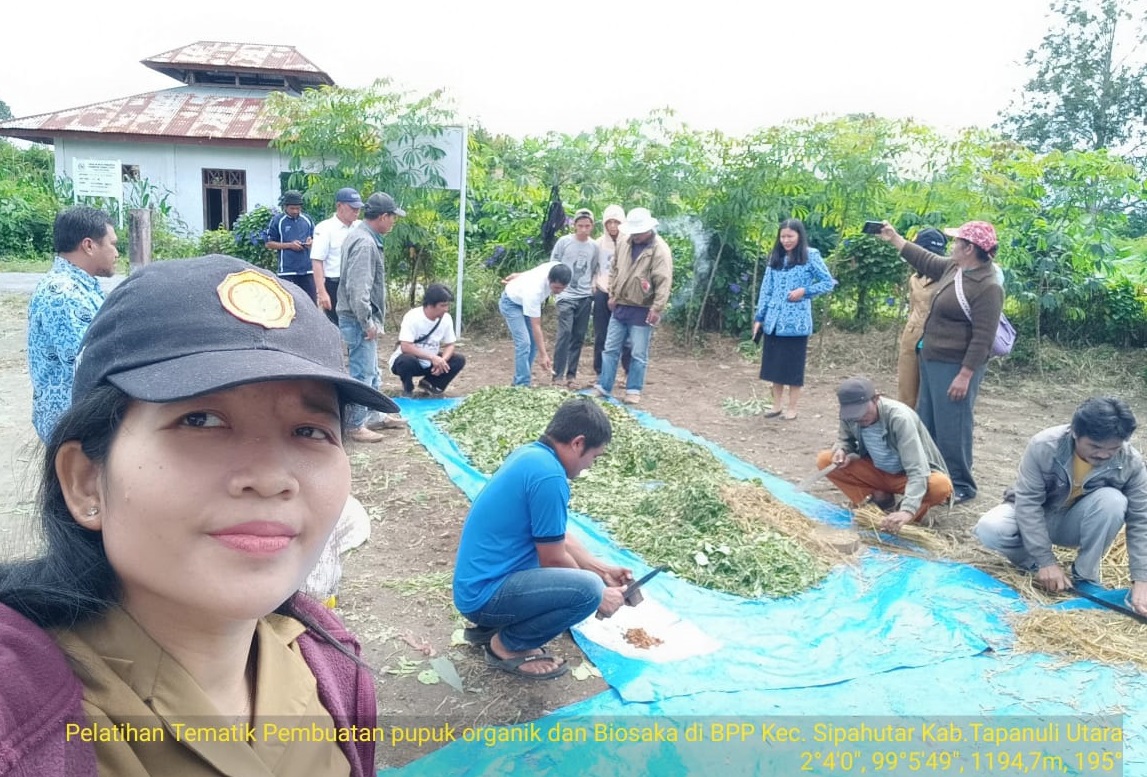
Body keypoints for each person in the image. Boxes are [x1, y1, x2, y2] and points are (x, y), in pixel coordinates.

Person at [0, 254, 394, 775]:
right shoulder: (21, 716)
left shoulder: (331, 668)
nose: (272, 476)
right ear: (85, 479)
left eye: (309, 431)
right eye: (201, 419)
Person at [453, 398, 631, 679]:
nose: (589, 467)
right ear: (577, 443)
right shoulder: (550, 478)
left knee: (590, 580)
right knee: (587, 591)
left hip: (477, 586)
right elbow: (553, 558)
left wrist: (602, 569)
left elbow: (558, 538)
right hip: (484, 596)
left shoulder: (532, 456)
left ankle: (497, 626)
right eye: (593, 457)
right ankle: (508, 646)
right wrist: (599, 592)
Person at [974, 397, 1147, 609]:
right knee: (990, 527)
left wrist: (1141, 579)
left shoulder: (1131, 462)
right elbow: (1028, 504)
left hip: (1076, 522)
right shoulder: (1044, 446)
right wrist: (1044, 560)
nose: (1103, 454)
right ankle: (1037, 568)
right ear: (1075, 432)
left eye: (1113, 449)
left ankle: (1084, 577)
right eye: (1095, 446)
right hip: (1040, 515)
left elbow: (1141, 520)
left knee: (1113, 501)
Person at [877, 220, 1004, 504]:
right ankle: (934, 476)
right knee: (928, 421)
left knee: (953, 425)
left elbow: (983, 337)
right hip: (933, 358)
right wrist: (895, 238)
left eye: (957, 241)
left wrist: (965, 374)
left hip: (956, 365)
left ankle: (960, 484)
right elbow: (924, 258)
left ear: (969, 248)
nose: (952, 245)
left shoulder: (988, 286)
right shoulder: (954, 269)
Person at [27, 206, 118, 443]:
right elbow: (89, 361)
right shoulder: (63, 293)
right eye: (112, 244)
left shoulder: (82, 286)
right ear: (88, 246)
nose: (116, 253)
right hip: (73, 424)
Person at [816, 377, 953, 533]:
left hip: (905, 476)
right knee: (826, 460)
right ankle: (880, 499)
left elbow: (917, 469)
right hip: (878, 471)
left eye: (862, 412)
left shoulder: (899, 418)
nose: (859, 418)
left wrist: (907, 510)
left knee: (940, 485)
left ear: (875, 399)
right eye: (854, 414)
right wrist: (842, 450)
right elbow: (845, 440)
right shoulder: (849, 416)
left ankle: (904, 517)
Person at [337, 191, 407, 440]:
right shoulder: (365, 243)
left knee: (372, 370)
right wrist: (366, 320)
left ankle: (373, 416)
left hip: (361, 317)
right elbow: (358, 288)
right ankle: (355, 425)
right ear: (384, 216)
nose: (393, 222)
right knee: (362, 373)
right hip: (357, 319)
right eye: (393, 217)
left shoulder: (362, 235)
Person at [751, 218, 836, 420]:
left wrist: (805, 291)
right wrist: (759, 317)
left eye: (790, 236)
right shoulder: (775, 257)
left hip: (795, 323)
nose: (786, 240)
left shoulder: (810, 256)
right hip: (773, 321)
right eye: (783, 236)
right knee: (774, 366)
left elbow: (828, 282)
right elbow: (766, 289)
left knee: (792, 368)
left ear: (799, 236)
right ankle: (776, 405)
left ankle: (792, 407)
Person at [594, 207, 673, 405]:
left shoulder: (659, 250)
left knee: (638, 352)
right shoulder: (624, 242)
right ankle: (604, 386)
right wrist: (612, 293)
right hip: (620, 306)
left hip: (642, 309)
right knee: (610, 349)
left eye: (639, 232)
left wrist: (657, 308)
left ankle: (633, 389)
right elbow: (614, 269)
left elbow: (664, 282)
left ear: (648, 229)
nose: (635, 235)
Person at [499, 261, 572, 387]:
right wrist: (543, 355)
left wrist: (520, 275)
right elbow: (536, 326)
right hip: (511, 303)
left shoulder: (558, 267)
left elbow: (535, 270)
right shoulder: (534, 291)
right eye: (556, 288)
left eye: (562, 288)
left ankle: (520, 379)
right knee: (524, 342)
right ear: (549, 279)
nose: (559, 291)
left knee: (532, 343)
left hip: (524, 299)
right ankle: (522, 384)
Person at [549, 208, 601, 388]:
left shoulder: (594, 246)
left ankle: (571, 376)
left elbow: (594, 268)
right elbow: (553, 264)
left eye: (587, 226)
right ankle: (557, 375)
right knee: (565, 333)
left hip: (585, 296)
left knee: (578, 336)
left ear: (592, 226)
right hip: (565, 295)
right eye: (580, 226)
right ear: (574, 225)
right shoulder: (564, 242)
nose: (584, 229)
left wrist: (593, 285)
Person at [897, 228, 947, 408]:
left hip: (938, 342)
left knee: (931, 398)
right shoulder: (914, 278)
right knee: (906, 394)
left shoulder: (949, 277)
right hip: (911, 340)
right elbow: (913, 308)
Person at [388, 283, 466, 397]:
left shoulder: (446, 319)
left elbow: (450, 345)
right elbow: (406, 346)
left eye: (447, 305)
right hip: (413, 361)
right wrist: (432, 357)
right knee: (405, 361)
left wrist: (442, 361)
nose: (446, 309)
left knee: (458, 359)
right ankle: (407, 388)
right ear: (430, 305)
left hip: (432, 364)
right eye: (443, 305)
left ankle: (431, 384)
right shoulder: (412, 317)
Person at [310, 187, 365, 325]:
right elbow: (317, 261)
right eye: (352, 208)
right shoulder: (325, 228)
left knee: (357, 326)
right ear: (339, 206)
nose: (356, 211)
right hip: (335, 285)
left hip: (356, 284)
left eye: (358, 208)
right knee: (337, 327)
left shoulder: (361, 227)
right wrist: (322, 292)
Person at [592, 204, 631, 378]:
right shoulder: (598, 243)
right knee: (601, 333)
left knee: (626, 336)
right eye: (609, 222)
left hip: (624, 293)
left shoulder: (630, 242)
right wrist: (594, 284)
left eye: (616, 222)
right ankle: (601, 372)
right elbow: (594, 267)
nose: (613, 226)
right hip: (602, 290)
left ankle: (627, 371)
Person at [265, 190, 316, 303]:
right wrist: (289, 245)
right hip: (287, 271)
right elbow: (269, 244)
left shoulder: (307, 220)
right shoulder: (278, 221)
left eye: (298, 208)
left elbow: (315, 239)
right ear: (285, 207)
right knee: (289, 303)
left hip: (307, 270)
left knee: (311, 303)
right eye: (292, 208)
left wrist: (310, 242)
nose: (295, 211)